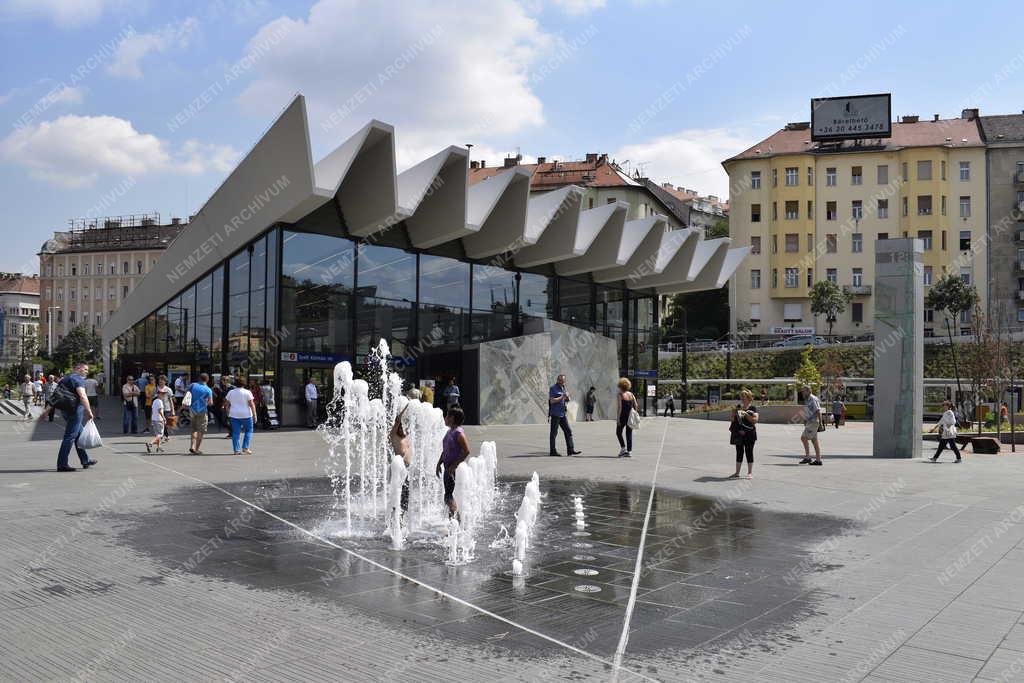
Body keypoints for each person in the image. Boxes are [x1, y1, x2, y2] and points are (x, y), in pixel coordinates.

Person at [41, 362, 98, 472]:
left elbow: (55, 396)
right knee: (70, 437)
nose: (87, 371)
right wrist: (89, 411)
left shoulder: (65, 379)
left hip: (65, 411)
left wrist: (46, 411)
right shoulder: (78, 380)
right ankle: (62, 464)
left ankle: (85, 460)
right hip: (75, 411)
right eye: (85, 369)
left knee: (79, 435)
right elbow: (82, 395)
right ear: (78, 368)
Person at [434, 406, 470, 518]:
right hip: (447, 468)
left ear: (452, 418)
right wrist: (439, 463)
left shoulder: (458, 433)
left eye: (447, 416)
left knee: (448, 496)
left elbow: (466, 451)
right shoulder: (450, 431)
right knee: (448, 496)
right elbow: (445, 449)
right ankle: (452, 521)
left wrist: (454, 466)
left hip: (452, 470)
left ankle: (457, 519)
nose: (445, 418)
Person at [729, 389, 758, 479]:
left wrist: (745, 414)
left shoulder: (753, 408)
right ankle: (737, 472)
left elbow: (755, 421)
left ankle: (750, 473)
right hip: (739, 434)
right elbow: (733, 420)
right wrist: (733, 414)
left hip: (750, 434)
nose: (742, 398)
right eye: (741, 396)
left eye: (744, 397)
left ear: (748, 398)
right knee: (739, 452)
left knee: (749, 452)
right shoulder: (738, 407)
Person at [548, 374, 580, 456]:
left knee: (568, 431)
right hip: (555, 414)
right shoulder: (553, 388)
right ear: (558, 380)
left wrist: (568, 398)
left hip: (562, 414)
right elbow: (552, 401)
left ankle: (570, 450)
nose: (563, 382)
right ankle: (553, 451)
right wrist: (562, 397)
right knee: (554, 433)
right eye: (561, 380)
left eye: (563, 381)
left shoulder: (563, 388)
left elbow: (566, 399)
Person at [226, 382, 257, 455]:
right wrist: (255, 415)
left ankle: (236, 450)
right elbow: (251, 404)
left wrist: (228, 412)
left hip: (234, 414)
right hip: (246, 415)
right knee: (249, 430)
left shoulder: (231, 392)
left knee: (236, 432)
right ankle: (245, 447)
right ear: (244, 384)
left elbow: (227, 403)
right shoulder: (247, 392)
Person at [187, 374, 214, 454]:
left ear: (199, 378)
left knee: (194, 429)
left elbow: (187, 395)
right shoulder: (208, 390)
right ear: (207, 380)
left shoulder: (193, 385)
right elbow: (210, 403)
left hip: (192, 410)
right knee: (201, 431)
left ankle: (192, 446)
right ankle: (196, 449)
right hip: (202, 411)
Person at [799, 385, 823, 465]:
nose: (802, 393)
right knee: (814, 441)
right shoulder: (807, 399)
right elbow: (808, 410)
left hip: (813, 422)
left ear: (808, 391)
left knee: (803, 438)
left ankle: (808, 457)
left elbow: (818, 411)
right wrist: (805, 419)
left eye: (803, 391)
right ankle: (818, 460)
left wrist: (820, 423)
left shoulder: (812, 398)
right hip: (810, 422)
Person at [616, 377, 638, 458]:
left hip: (622, 416)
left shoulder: (620, 395)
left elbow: (620, 407)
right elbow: (636, 405)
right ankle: (629, 451)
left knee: (618, 432)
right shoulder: (631, 394)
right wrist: (634, 413)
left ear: (621, 386)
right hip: (630, 417)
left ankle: (623, 448)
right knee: (629, 434)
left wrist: (618, 418)